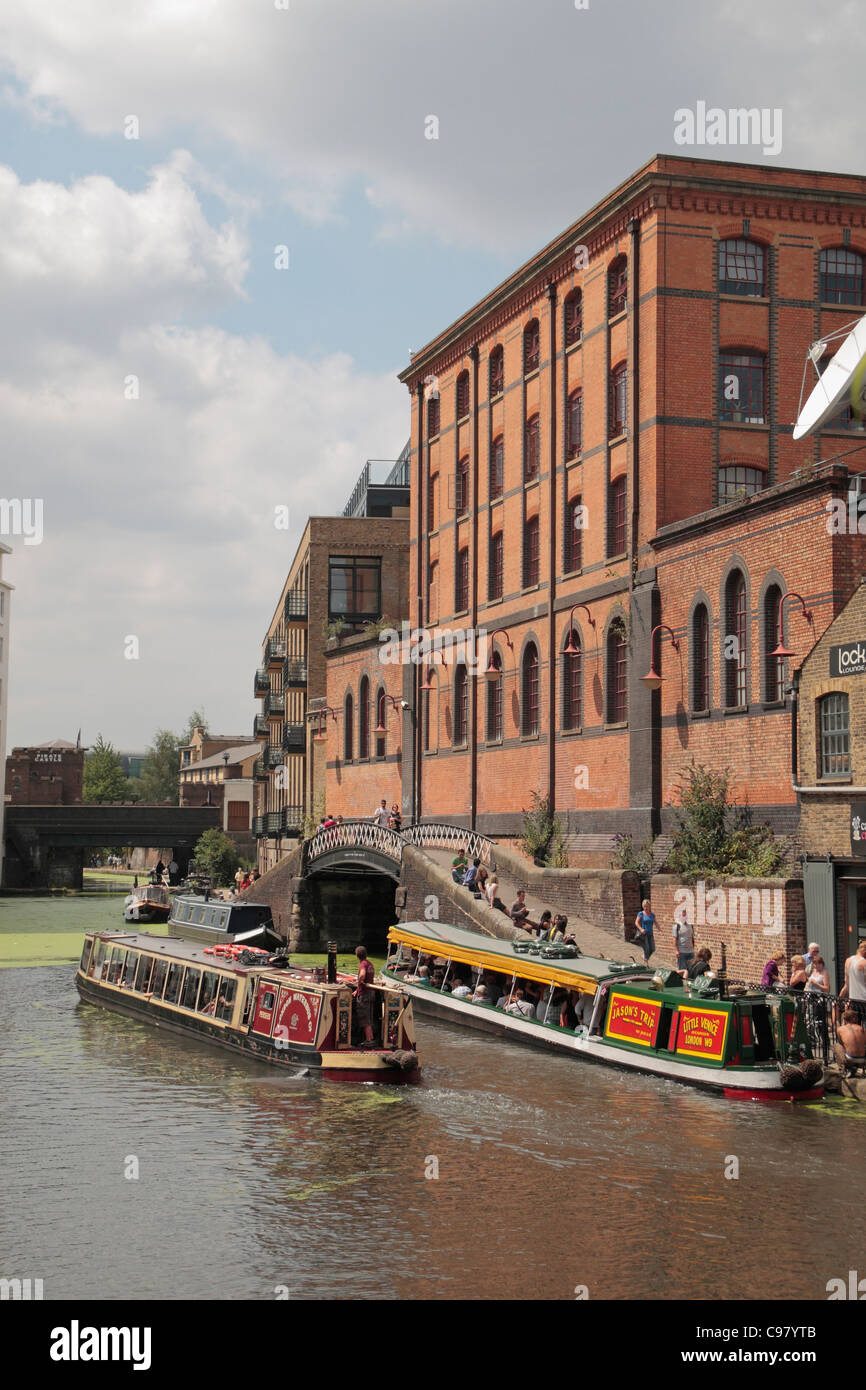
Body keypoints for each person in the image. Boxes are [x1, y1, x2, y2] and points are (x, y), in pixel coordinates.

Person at [353, 945, 376, 1046]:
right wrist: (357, 990)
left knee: (364, 1017)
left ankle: (368, 1041)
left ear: (357, 955)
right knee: (369, 1017)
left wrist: (359, 981)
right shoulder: (370, 964)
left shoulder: (362, 964)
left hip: (364, 995)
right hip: (371, 993)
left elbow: (362, 975)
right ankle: (371, 1038)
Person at [834, 1008, 866, 1072]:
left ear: (844, 1019)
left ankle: (844, 1069)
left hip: (850, 1059)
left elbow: (841, 1043)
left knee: (836, 1046)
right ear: (856, 1019)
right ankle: (862, 1067)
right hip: (863, 1059)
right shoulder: (862, 1029)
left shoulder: (840, 1029)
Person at [672, 907, 695, 972]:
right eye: (683, 915)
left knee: (691, 970)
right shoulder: (677, 926)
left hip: (690, 952)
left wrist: (693, 948)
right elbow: (675, 939)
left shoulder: (690, 925)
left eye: (686, 915)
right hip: (682, 952)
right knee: (682, 970)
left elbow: (692, 938)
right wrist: (676, 950)